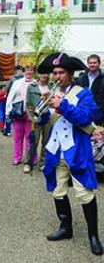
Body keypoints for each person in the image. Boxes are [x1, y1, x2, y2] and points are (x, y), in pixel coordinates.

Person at [37, 52, 103, 256]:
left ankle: (93, 236)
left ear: (70, 73)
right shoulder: (51, 93)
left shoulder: (83, 94)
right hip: (56, 152)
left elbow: (85, 118)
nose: (57, 77)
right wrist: (42, 114)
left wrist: (62, 105)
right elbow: (46, 122)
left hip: (77, 151)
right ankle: (66, 228)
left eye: (61, 72)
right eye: (55, 73)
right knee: (58, 191)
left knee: (84, 194)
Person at [6, 65, 35, 173]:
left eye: (31, 70)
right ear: (24, 71)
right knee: (17, 138)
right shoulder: (17, 83)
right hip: (17, 113)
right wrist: (7, 112)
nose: (29, 72)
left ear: (33, 72)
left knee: (30, 138)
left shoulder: (36, 83)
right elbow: (10, 97)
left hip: (30, 114)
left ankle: (30, 158)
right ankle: (17, 157)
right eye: (27, 70)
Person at [26, 73, 52, 171]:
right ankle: (28, 163)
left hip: (48, 117)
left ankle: (43, 163)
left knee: (46, 141)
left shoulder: (53, 86)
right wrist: (31, 117)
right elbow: (27, 103)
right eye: (42, 72)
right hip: (36, 117)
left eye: (46, 72)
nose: (44, 75)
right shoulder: (32, 86)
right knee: (33, 141)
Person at [76, 54, 104, 125]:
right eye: (90, 63)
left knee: (95, 134)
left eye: (94, 63)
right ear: (88, 64)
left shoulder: (103, 79)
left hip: (97, 113)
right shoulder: (81, 78)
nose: (92, 65)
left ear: (99, 64)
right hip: (82, 111)